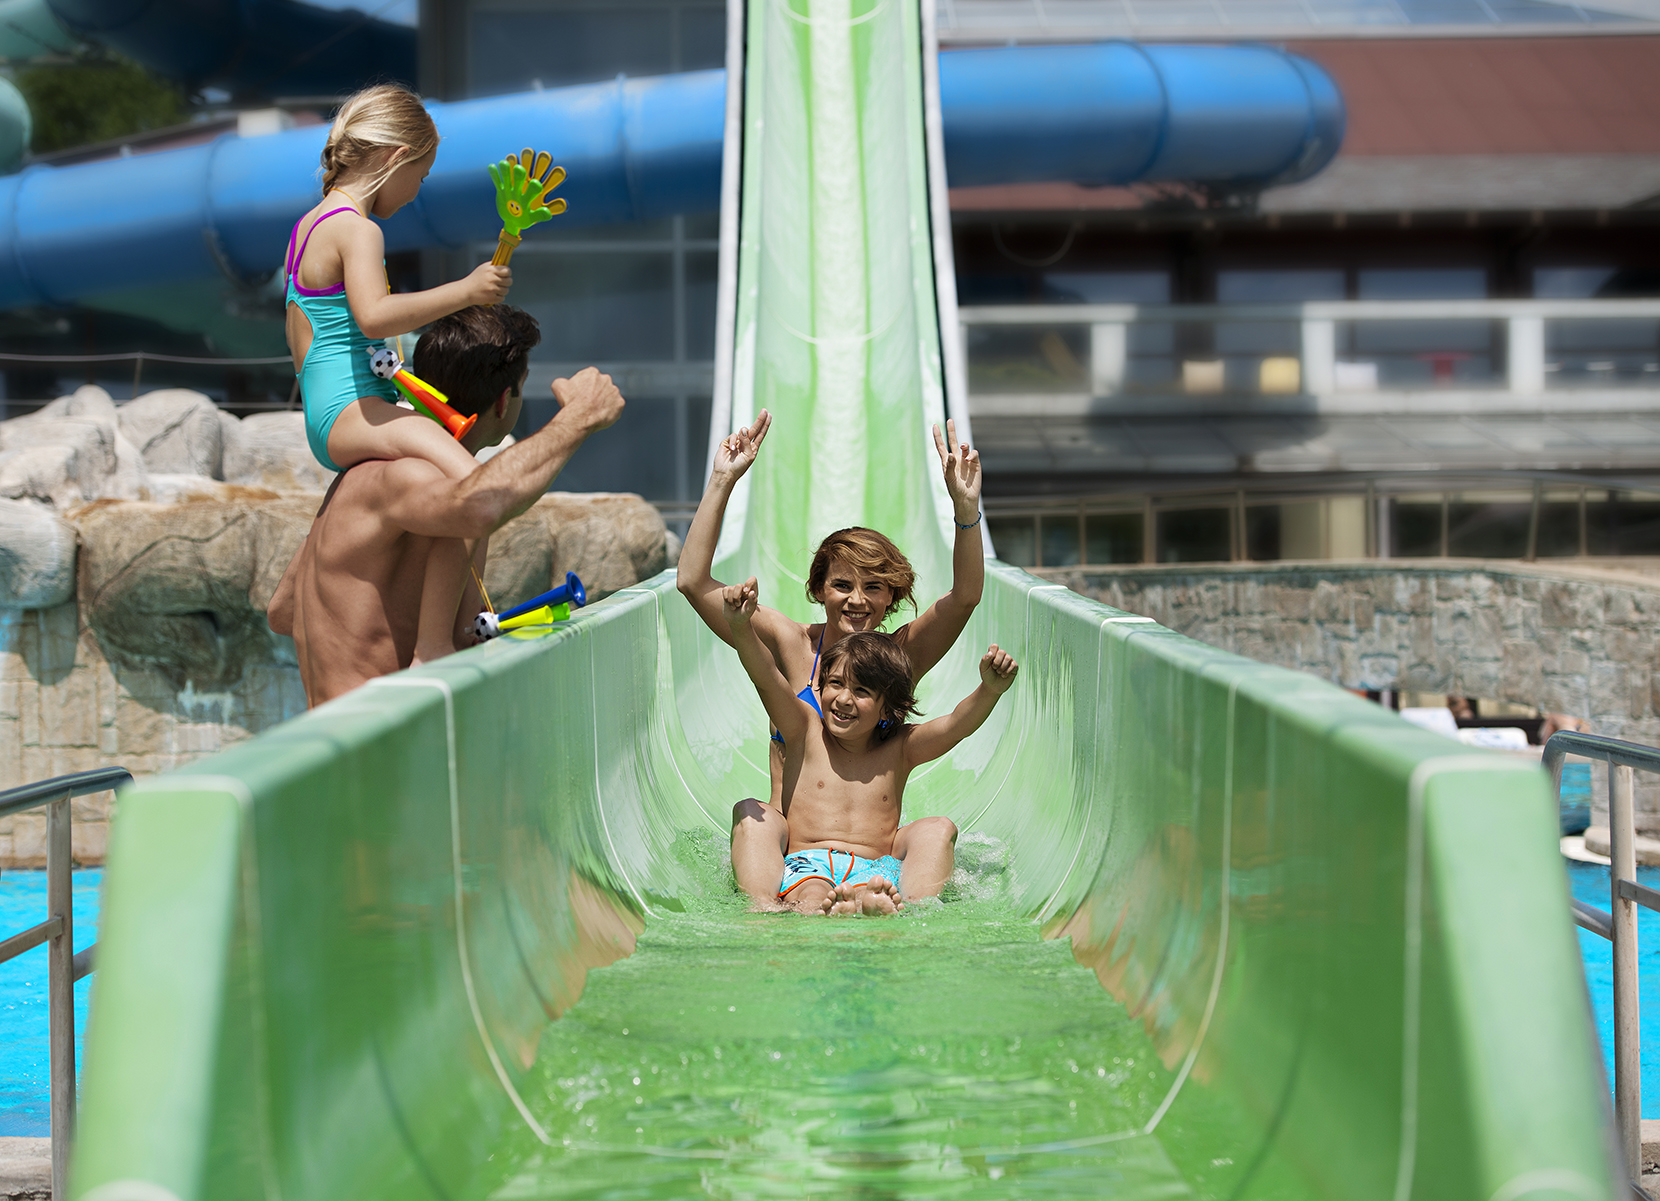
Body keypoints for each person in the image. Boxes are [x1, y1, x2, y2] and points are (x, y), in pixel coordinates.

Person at [676, 410, 987, 909]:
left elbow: (965, 597)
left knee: (928, 837)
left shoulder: (897, 656)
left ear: (892, 596)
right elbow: (692, 581)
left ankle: (896, 908)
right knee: (753, 814)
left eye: (874, 587)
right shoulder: (788, 641)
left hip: (867, 847)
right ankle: (770, 911)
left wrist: (966, 509)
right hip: (793, 847)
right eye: (842, 584)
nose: (857, 600)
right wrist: (721, 480)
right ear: (819, 588)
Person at [267, 306, 625, 707]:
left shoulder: (355, 478)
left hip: (329, 739)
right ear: (505, 401)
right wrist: (577, 418)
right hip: (380, 743)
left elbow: (282, 610)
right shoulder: (417, 481)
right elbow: (480, 505)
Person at [284, 83, 512, 661]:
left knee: (449, 476)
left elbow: (332, 332)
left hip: (332, 411)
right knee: (476, 492)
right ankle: (445, 640)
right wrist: (465, 290)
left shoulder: (312, 223)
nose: (415, 194)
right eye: (422, 176)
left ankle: (293, 594)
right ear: (394, 159)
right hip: (351, 411)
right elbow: (373, 314)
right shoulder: (358, 228)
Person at [723, 576, 1017, 915]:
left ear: (886, 707)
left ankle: (912, 906)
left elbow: (956, 725)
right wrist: (741, 627)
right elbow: (766, 676)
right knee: (751, 814)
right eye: (834, 684)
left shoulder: (900, 748)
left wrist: (990, 690)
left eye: (861, 692)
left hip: (878, 868)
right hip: (808, 867)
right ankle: (765, 906)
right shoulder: (804, 731)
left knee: (938, 828)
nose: (844, 699)